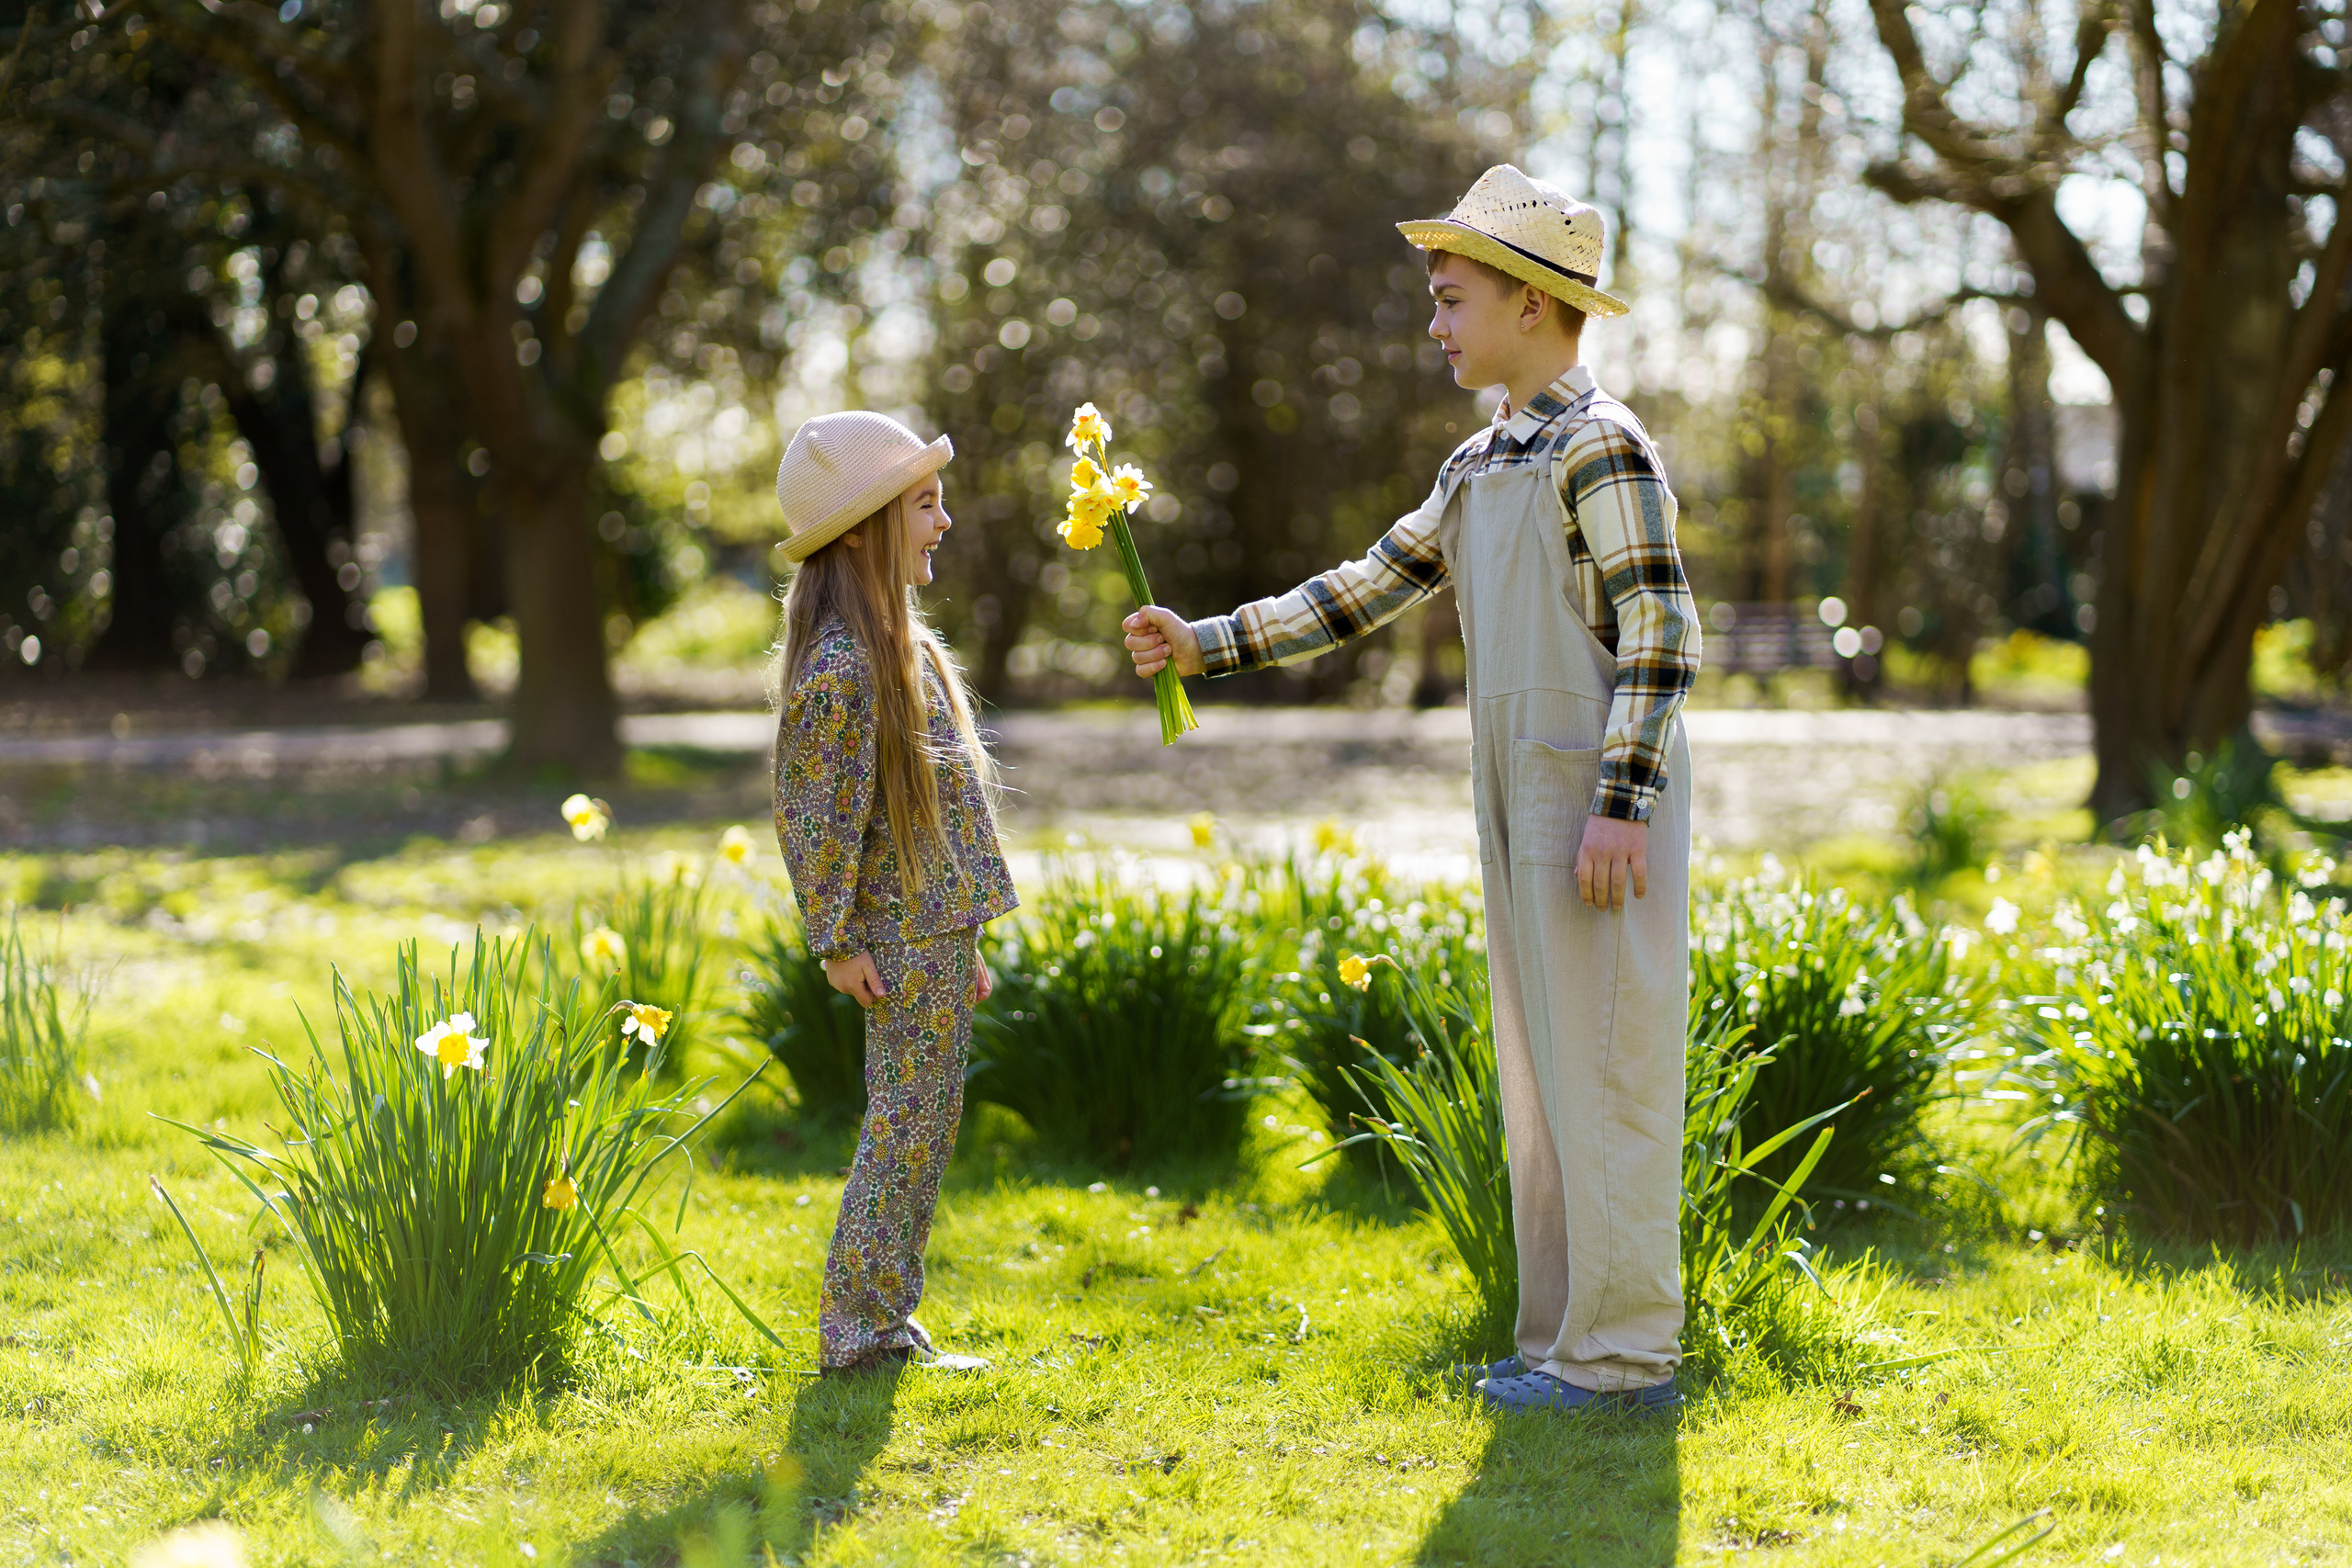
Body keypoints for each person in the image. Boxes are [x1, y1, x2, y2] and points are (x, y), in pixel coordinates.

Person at [1123, 165, 1701, 1415]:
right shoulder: (1485, 456)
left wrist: (1621, 800)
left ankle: (1626, 1357)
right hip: (1515, 793)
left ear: (1535, 307)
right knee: (1545, 1076)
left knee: (1611, 1067)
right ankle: (1559, 1344)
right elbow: (1365, 587)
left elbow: (1662, 630)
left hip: (1596, 804)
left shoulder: (1601, 448)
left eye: (1451, 300)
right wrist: (1204, 640)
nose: (1434, 325)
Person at [770, 410, 1017, 1375]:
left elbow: (931, 819)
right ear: (869, 526)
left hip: (930, 938)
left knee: (923, 1128)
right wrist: (835, 941)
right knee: (903, 1133)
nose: (944, 521)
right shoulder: (843, 669)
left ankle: (883, 1320)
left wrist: (964, 942)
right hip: (892, 942)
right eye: (925, 504)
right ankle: (859, 1328)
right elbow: (814, 816)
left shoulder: (900, 653)